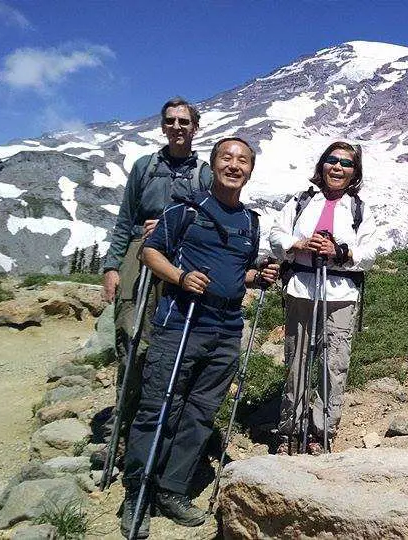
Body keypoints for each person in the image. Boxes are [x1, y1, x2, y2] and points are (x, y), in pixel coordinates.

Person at [120, 137, 279, 537]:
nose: (234, 165)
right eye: (227, 157)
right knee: (159, 406)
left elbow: (236, 271)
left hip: (227, 329)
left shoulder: (250, 222)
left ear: (250, 170)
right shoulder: (186, 211)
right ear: (213, 165)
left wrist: (257, 277)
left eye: (243, 160)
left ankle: (172, 490)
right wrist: (180, 276)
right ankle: (137, 493)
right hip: (182, 323)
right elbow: (149, 253)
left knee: (201, 413)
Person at [99, 97, 212, 466]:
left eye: (184, 122)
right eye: (171, 121)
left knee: (173, 341)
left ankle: (166, 429)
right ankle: (123, 429)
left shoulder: (205, 174)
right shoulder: (145, 168)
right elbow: (125, 217)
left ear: (195, 128)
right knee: (131, 339)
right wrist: (112, 267)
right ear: (162, 126)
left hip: (181, 256)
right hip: (139, 250)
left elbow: (214, 218)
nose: (177, 127)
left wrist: (173, 220)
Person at [269, 141, 377, 455]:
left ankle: (321, 431)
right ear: (322, 165)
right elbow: (276, 234)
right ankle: (291, 429)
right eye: (332, 160)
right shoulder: (302, 201)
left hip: (341, 294)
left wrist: (341, 252)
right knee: (297, 361)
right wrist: (298, 243)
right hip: (301, 287)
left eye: (346, 163)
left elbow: (369, 252)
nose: (338, 167)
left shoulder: (359, 209)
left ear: (354, 172)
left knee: (334, 365)